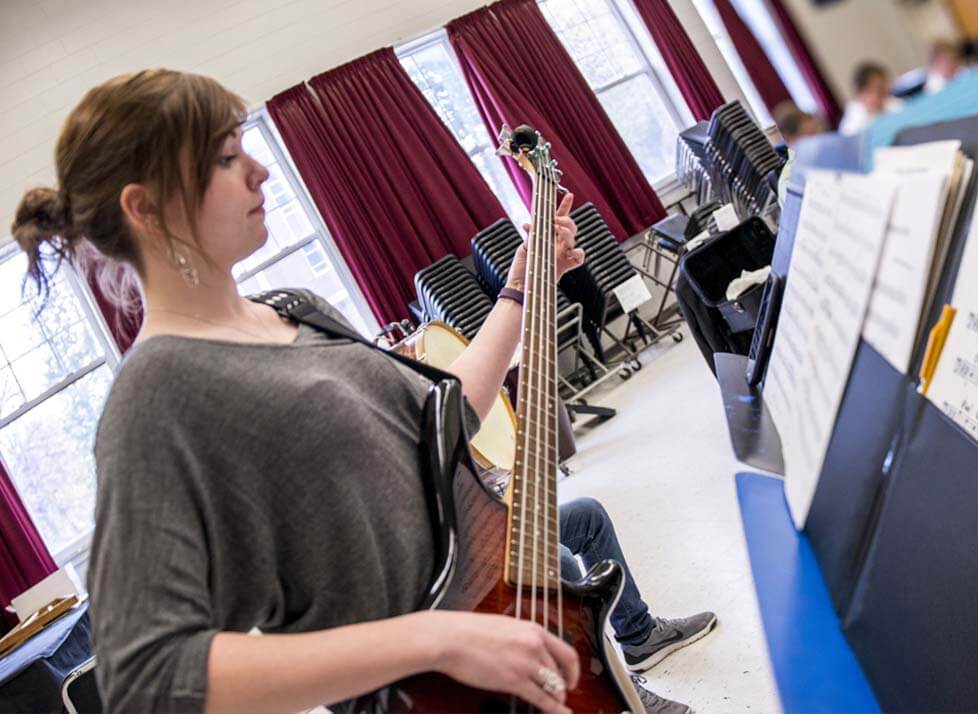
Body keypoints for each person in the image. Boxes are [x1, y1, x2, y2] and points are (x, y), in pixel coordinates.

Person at [11, 69, 715, 714]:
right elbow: (149, 675)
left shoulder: (295, 307)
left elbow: (447, 419)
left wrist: (523, 288)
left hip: (513, 640)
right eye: (226, 159)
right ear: (147, 209)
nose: (259, 171)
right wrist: (432, 642)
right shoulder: (157, 398)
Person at [838, 62, 903, 136]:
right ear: (861, 94)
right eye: (879, 90)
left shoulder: (892, 103)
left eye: (885, 88)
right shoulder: (851, 127)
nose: (885, 93)